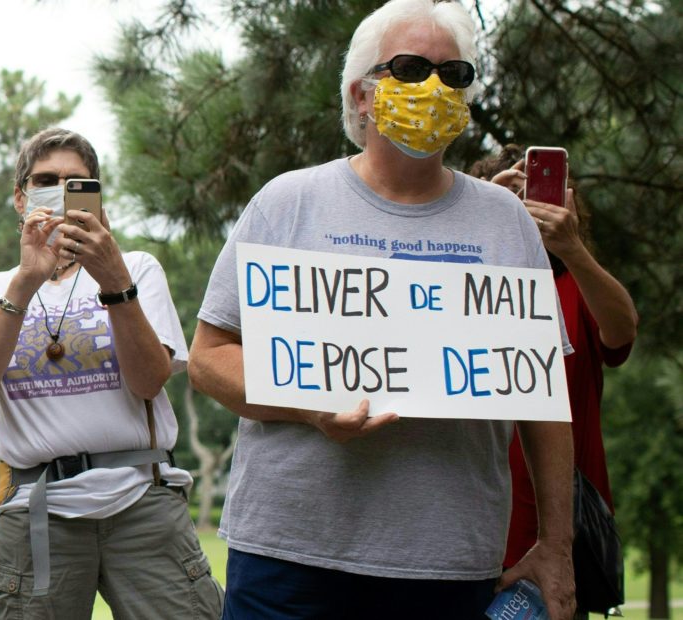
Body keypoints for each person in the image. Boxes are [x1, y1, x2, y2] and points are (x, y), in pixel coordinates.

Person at [188, 1, 578, 618]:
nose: (434, 87)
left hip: (448, 565)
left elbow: (545, 396)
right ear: (360, 95)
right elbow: (208, 360)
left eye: (453, 75)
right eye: (410, 67)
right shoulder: (287, 202)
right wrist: (311, 404)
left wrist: (558, 548)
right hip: (288, 560)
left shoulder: (507, 222)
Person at [0, 127, 223, 619]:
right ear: (20, 196)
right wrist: (27, 280)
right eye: (45, 180)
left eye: (76, 182)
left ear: (96, 198)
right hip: (36, 506)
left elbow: (148, 381)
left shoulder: (137, 268)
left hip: (141, 496)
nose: (59, 190)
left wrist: (114, 280)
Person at [471, 146, 638, 617]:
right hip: (469, 530)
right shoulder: (463, 284)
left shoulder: (573, 283)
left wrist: (572, 248)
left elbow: (622, 331)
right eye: (514, 195)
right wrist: (474, 218)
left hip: (556, 541)